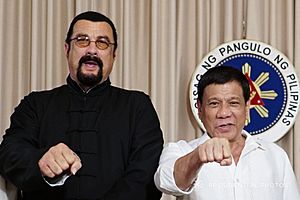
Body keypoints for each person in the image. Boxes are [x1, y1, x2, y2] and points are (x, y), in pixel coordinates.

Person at [0, 11, 164, 200]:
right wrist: (41, 160)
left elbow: (145, 174)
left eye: (102, 43)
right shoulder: (36, 104)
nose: (92, 51)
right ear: (66, 48)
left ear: (114, 54)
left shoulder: (138, 106)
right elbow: (9, 155)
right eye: (82, 40)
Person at [154, 66, 300, 200]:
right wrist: (197, 157)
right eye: (214, 104)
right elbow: (165, 182)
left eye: (234, 103)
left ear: (247, 106)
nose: (224, 113)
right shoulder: (180, 151)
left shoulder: (276, 156)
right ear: (200, 108)